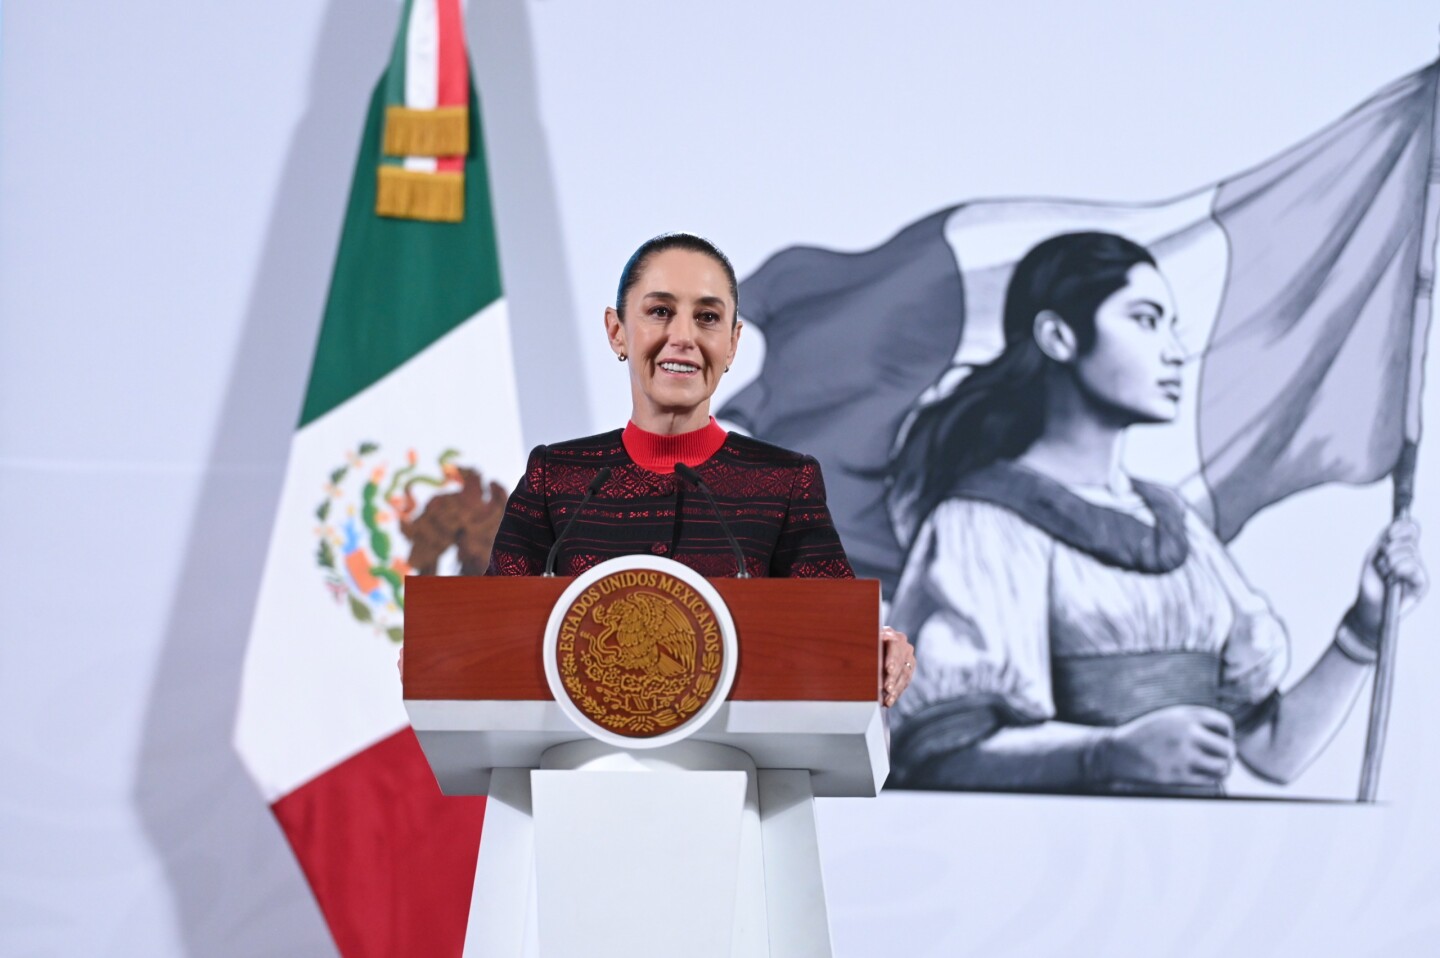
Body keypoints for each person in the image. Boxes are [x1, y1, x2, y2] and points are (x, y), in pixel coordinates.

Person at [886, 231, 1427, 795]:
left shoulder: (1177, 523)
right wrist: (1107, 754)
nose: (1173, 351)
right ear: (1058, 336)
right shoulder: (983, 522)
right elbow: (937, 755)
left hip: (1194, 848)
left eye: (1172, 327)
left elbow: (1273, 752)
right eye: (1145, 321)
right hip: (1059, 848)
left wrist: (1365, 627)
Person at [485, 232, 917, 706]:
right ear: (617, 331)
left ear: (732, 344)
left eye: (707, 318)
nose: (684, 337)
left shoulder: (783, 483)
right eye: (660, 311)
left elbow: (838, 633)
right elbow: (489, 629)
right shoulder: (557, 477)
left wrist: (879, 646)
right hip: (576, 751)